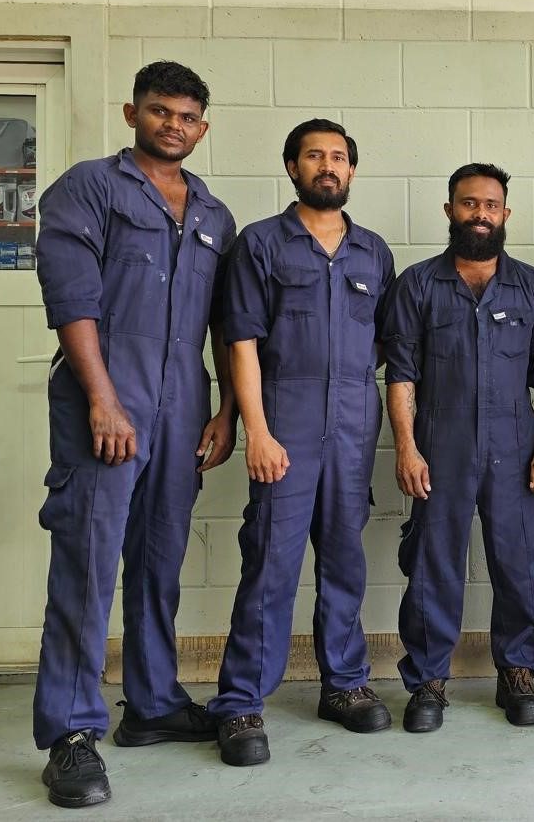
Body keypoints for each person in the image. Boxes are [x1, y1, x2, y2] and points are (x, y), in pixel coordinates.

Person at [33, 61, 237, 808]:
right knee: (87, 564)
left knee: (159, 561)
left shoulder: (213, 214)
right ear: (132, 114)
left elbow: (225, 325)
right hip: (107, 400)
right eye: (159, 111)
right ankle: (70, 732)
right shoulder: (89, 187)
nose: (172, 126)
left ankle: (152, 704)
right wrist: (102, 399)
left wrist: (226, 411)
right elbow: (71, 299)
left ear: (202, 128)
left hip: (183, 407)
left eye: (186, 117)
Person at [207, 119, 396, 767]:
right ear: (292, 167)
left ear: (351, 170)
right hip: (283, 424)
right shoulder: (262, 243)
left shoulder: (372, 252)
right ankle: (240, 703)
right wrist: (255, 430)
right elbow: (241, 343)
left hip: (352, 427)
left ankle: (344, 684)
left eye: (338, 157)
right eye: (315, 155)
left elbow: (380, 341)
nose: (327, 166)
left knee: (344, 561)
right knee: (270, 562)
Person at [383, 163, 534, 733]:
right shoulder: (417, 284)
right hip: (441, 445)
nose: (480, 214)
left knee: (518, 560)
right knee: (433, 562)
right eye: (468, 203)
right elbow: (401, 375)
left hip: (514, 444)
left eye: (490, 205)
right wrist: (406, 448)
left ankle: (517, 672)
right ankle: (428, 680)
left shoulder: (530, 285)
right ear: (450, 210)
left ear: (505, 214)